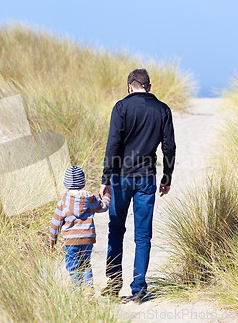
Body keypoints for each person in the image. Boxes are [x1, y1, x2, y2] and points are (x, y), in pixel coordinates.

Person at [99, 68, 176, 301]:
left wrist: (105, 178)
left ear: (129, 86)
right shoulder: (163, 109)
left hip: (121, 177)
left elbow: (113, 144)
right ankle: (139, 288)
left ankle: (113, 285)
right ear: (149, 87)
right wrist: (167, 177)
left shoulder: (121, 107)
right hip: (146, 178)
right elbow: (169, 147)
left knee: (116, 229)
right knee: (143, 235)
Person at [50, 166, 112, 290]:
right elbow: (103, 207)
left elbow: (55, 224)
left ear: (65, 183)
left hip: (71, 241)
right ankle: (89, 287)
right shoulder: (90, 198)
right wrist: (106, 196)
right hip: (87, 239)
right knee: (85, 264)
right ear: (83, 182)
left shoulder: (63, 201)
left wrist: (53, 241)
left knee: (73, 266)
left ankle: (77, 290)